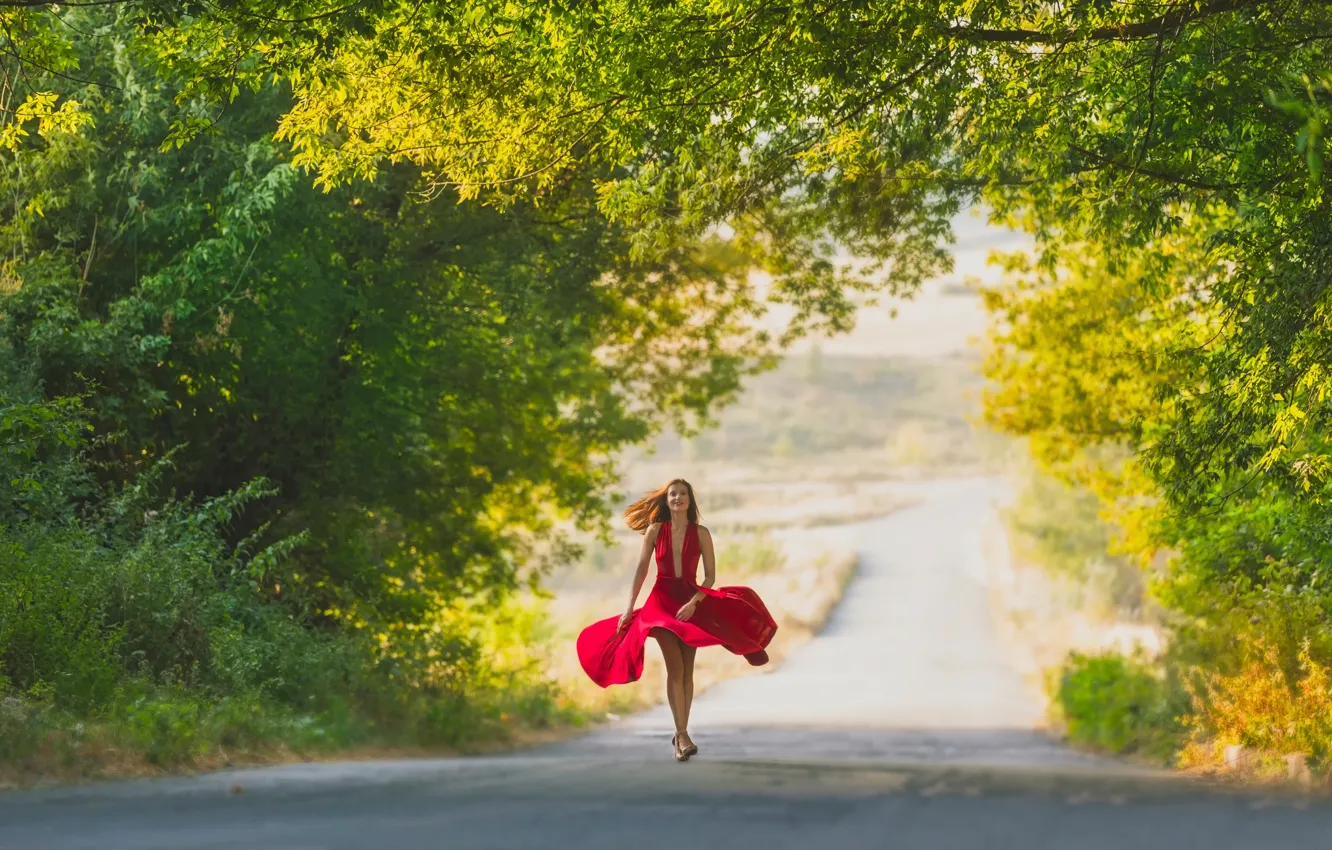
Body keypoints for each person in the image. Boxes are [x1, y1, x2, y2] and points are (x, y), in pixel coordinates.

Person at [576, 478, 777, 761]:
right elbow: (641, 571)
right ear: (667, 500)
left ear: (690, 500)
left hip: (690, 603)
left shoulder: (702, 533)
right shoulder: (655, 531)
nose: (678, 498)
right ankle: (681, 734)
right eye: (673, 494)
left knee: (687, 671)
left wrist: (695, 603)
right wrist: (629, 607)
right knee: (675, 668)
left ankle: (681, 735)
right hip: (661, 604)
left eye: (683, 494)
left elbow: (709, 576)